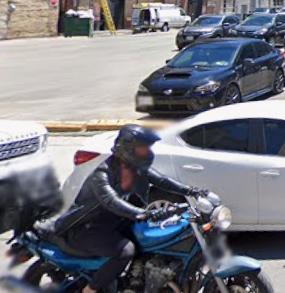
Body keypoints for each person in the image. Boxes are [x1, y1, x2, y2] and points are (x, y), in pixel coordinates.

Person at [50, 125, 204, 293]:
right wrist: (143, 213)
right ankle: (90, 289)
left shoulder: (135, 168)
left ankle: (138, 281)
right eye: (142, 148)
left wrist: (191, 191)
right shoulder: (101, 173)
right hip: (86, 228)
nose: (147, 152)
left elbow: (162, 180)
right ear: (127, 149)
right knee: (125, 251)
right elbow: (111, 201)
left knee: (149, 240)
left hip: (114, 222)